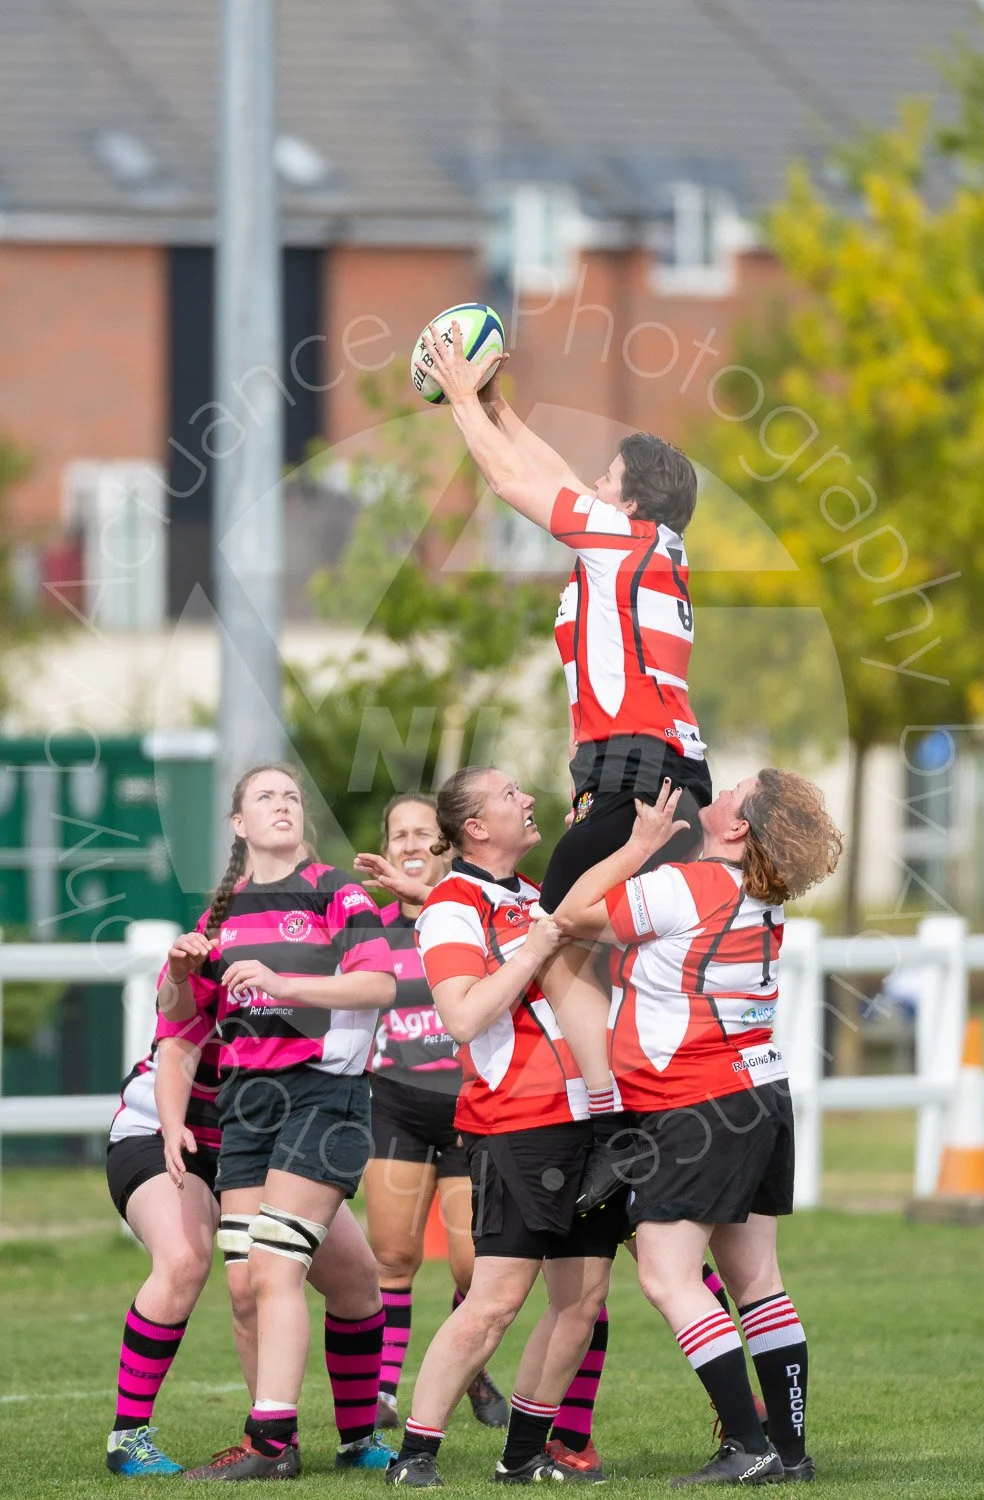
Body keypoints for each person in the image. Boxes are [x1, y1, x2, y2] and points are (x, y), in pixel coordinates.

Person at [419, 324, 710, 1206]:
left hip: (635, 774)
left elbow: (515, 483)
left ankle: (617, 1126)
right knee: (586, 943)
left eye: (609, 477)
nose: (594, 484)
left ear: (633, 498)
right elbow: (554, 479)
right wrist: (499, 404)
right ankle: (646, 1110)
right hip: (658, 772)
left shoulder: (620, 541)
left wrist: (460, 398)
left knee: (553, 937)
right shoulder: (642, 544)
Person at [553, 771, 843, 1485]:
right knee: (760, 1282)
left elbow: (571, 913)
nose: (723, 787)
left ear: (739, 827)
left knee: (666, 1276)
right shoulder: (759, 892)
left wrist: (637, 845)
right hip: (759, 1093)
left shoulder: (691, 885)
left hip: (695, 1102)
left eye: (737, 789)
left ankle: (748, 1445)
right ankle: (791, 1452)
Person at [385, 766, 623, 1488]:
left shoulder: (535, 894)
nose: (527, 799)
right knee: (493, 1304)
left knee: (581, 1303)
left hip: (590, 1120)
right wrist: (537, 945)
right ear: (476, 827)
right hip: (519, 1121)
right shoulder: (451, 904)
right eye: (509, 794)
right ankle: (414, 1455)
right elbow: (462, 1016)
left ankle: (521, 1456)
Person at [162, 763, 397, 1481]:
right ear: (239, 823)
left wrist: (282, 982)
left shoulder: (336, 890)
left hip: (324, 1094)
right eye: (265, 796)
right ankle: (344, 1439)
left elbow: (380, 984)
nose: (282, 804)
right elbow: (179, 1021)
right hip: (247, 1105)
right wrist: (181, 973)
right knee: (272, 1287)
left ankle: (272, 1444)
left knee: (273, 1267)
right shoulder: (219, 915)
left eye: (292, 795)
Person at [352, 794, 508, 1431]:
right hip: (395, 1107)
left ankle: (468, 1368)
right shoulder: (369, 927)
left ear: (448, 844)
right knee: (392, 1257)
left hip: (471, 1109)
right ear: (386, 848)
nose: (412, 845)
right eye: (400, 835)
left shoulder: (475, 914)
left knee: (473, 1266)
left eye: (424, 833)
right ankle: (384, 1393)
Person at [103, 943, 225, 1476]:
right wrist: (178, 975)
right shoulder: (207, 946)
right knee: (182, 1261)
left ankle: (355, 1438)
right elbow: (175, 1024)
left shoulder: (326, 945)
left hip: (259, 1144)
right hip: (161, 1131)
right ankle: (127, 1437)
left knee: (354, 1275)